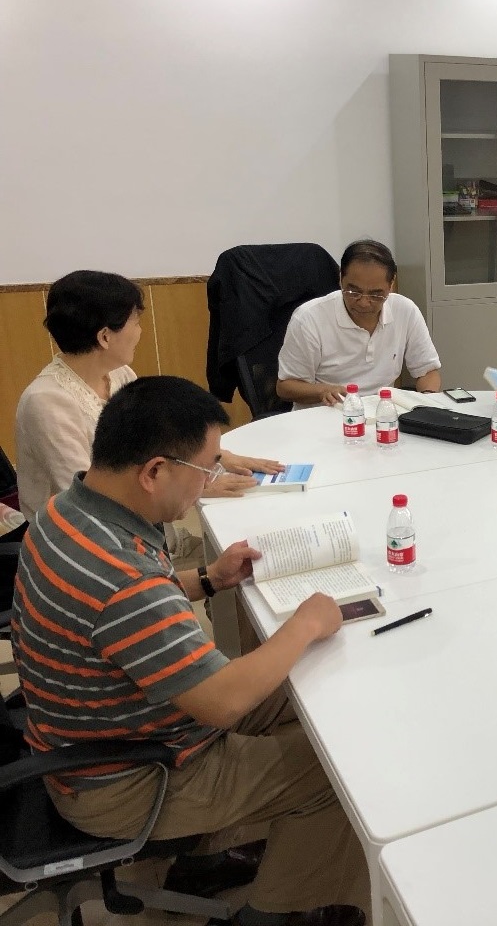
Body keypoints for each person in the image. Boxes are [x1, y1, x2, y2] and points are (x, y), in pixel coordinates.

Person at [11, 376, 368, 926]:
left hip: (107, 727)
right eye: (206, 469)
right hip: (124, 779)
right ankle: (277, 913)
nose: (209, 483)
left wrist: (207, 578)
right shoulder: (122, 578)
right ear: (154, 471)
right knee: (339, 774)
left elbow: (122, 616)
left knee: (312, 694)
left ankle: (212, 853)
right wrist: (305, 623)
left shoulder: (68, 511)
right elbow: (222, 702)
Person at [15, 270, 283, 522]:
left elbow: (155, 438)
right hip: (77, 532)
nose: (140, 332)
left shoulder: (119, 374)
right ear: (105, 337)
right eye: (136, 322)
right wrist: (198, 487)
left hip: (129, 514)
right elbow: (89, 498)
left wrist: (216, 458)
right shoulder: (47, 402)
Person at [275, 239, 441, 408]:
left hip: (382, 413)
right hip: (328, 414)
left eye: (376, 295)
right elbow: (285, 387)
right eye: (353, 291)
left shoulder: (405, 310)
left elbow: (427, 371)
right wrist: (322, 390)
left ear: (391, 284)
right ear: (341, 279)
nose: (363, 302)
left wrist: (427, 402)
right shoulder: (308, 318)